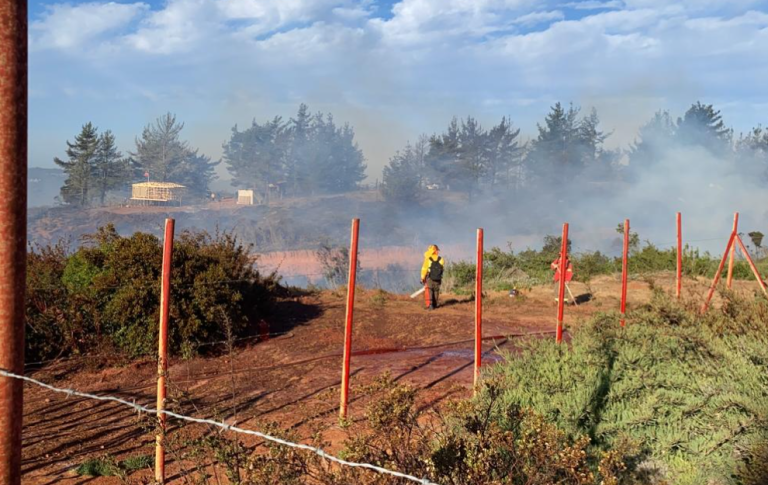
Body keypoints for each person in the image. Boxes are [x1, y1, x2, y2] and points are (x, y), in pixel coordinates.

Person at [420, 244, 444, 310]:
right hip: (438, 278)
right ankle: (435, 304)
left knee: (430, 290)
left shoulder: (428, 259)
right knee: (436, 291)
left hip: (430, 278)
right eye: (437, 250)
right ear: (435, 251)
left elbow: (424, 269)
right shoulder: (441, 259)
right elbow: (442, 269)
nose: (438, 252)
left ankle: (430, 305)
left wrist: (422, 278)